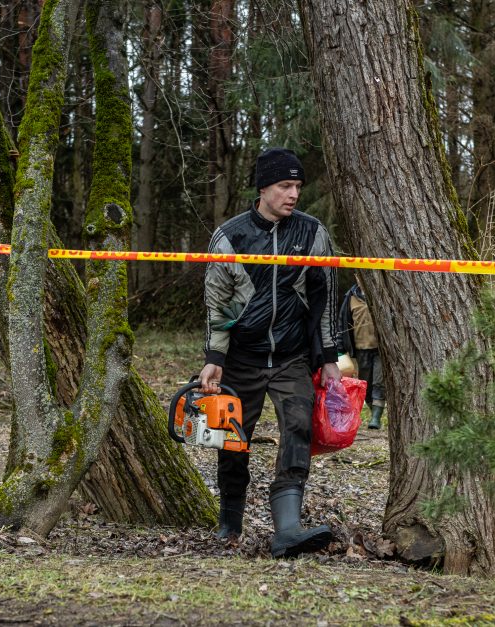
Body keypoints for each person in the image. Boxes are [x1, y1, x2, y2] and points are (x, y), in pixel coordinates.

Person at [199, 147, 343, 558]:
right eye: (285, 185)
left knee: (298, 426)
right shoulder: (230, 236)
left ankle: (288, 528)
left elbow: (326, 299)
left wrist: (329, 356)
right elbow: (218, 305)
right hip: (241, 358)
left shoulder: (313, 233)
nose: (293, 194)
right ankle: (228, 525)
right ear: (263, 188)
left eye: (298, 186)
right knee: (231, 441)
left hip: (292, 357)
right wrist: (215, 357)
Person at [338, 280, 386, 429]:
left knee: (379, 382)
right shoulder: (351, 296)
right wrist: (340, 346)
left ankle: (376, 418)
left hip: (381, 349)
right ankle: (373, 410)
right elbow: (343, 321)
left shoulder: (381, 292)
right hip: (361, 348)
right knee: (366, 383)